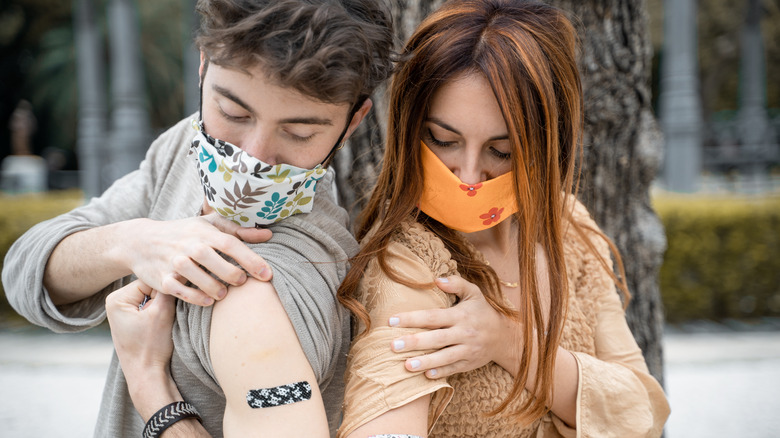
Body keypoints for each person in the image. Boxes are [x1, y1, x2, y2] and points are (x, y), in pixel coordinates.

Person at [2, 0, 393, 436]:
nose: (252, 157)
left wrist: (152, 386)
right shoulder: (184, 150)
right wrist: (133, 244)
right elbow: (24, 272)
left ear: (354, 120)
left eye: (299, 132)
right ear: (203, 67)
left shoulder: (271, 280)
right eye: (234, 113)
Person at [335, 0, 671, 437]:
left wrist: (507, 342)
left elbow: (643, 411)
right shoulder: (406, 261)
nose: (469, 175)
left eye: (502, 151)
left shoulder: (568, 226)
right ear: (410, 128)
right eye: (443, 140)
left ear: (546, 144)